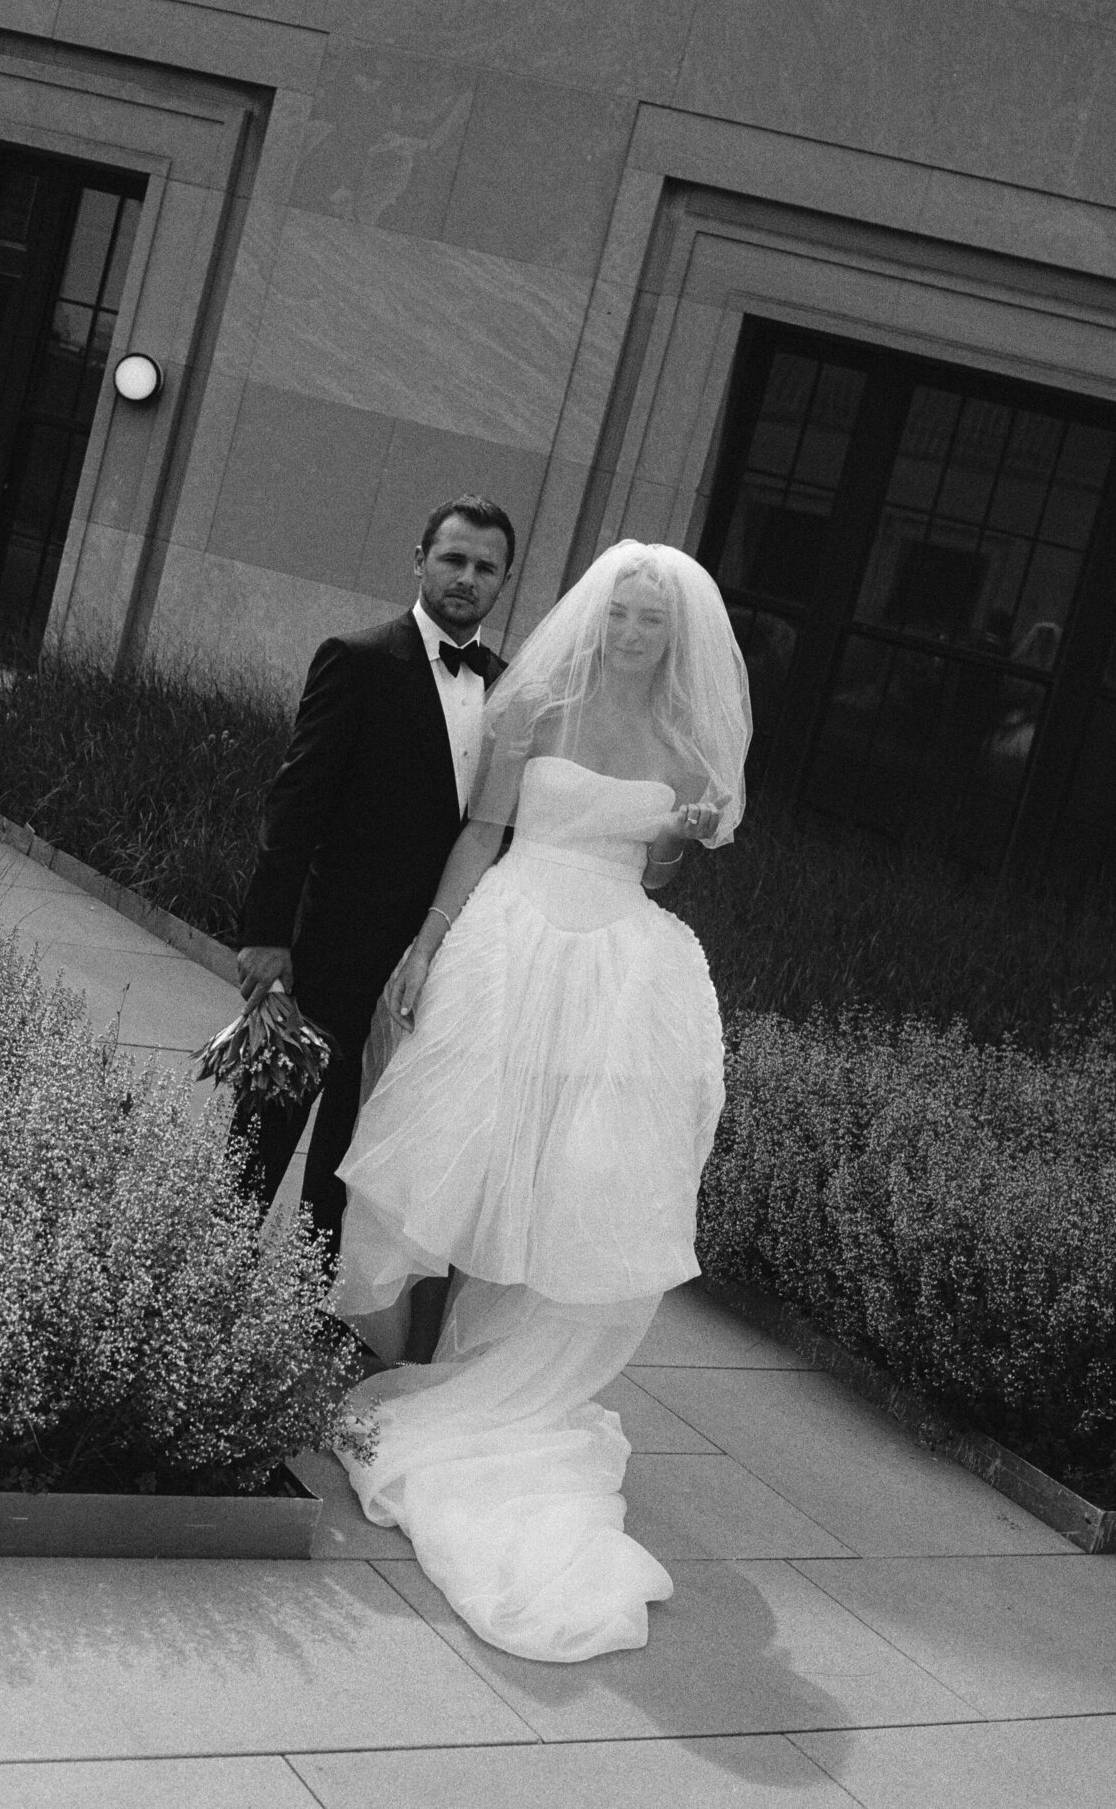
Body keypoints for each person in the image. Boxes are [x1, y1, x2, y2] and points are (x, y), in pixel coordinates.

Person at [331, 540, 752, 1662]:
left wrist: (677, 839)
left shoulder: (687, 742)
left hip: (613, 964)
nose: (631, 633)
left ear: (676, 636)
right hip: (512, 938)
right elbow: (483, 833)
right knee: (453, 1143)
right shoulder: (537, 705)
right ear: (594, 617)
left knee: (573, 1169)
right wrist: (428, 945)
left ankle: (496, 1367)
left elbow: (657, 870)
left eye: (651, 621)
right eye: (619, 614)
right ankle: (404, 1345)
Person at [234, 494, 515, 1357]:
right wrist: (267, 933)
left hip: (433, 963)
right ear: (419, 560)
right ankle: (206, 1287)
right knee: (262, 1139)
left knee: (358, 1153)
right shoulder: (356, 661)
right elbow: (296, 801)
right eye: (453, 559)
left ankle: (314, 1320)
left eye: (485, 567)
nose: (466, 578)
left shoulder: (510, 689)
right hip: (328, 950)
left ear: (503, 581)